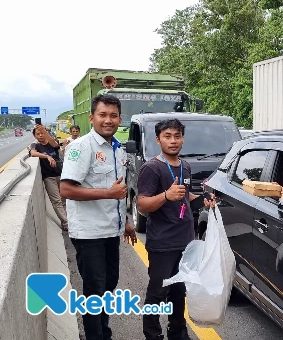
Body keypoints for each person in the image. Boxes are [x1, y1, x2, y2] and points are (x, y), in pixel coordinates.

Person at [60, 94, 137, 340]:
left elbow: (119, 191)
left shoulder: (117, 149)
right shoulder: (81, 147)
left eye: (113, 116)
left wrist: (124, 221)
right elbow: (66, 189)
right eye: (102, 115)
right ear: (92, 118)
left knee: (109, 285)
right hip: (89, 233)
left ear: (120, 119)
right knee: (95, 291)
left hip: (110, 231)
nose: (108, 120)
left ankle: (104, 332)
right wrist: (108, 193)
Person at [136, 118, 215, 340]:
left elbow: (185, 197)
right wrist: (165, 196)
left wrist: (203, 199)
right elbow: (142, 205)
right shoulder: (152, 168)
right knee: (157, 293)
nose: (173, 141)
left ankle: (177, 331)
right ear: (158, 139)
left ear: (182, 138)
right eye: (167, 136)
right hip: (162, 243)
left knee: (179, 291)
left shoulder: (184, 166)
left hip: (185, 241)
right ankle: (152, 335)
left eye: (177, 136)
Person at [29, 124, 68, 231]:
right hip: (48, 177)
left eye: (42, 133)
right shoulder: (35, 145)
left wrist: (45, 132)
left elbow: (55, 144)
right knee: (56, 201)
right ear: (35, 136)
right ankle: (66, 223)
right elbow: (32, 153)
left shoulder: (51, 142)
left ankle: (68, 220)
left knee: (64, 199)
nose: (41, 135)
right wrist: (47, 156)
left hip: (60, 174)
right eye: (38, 134)